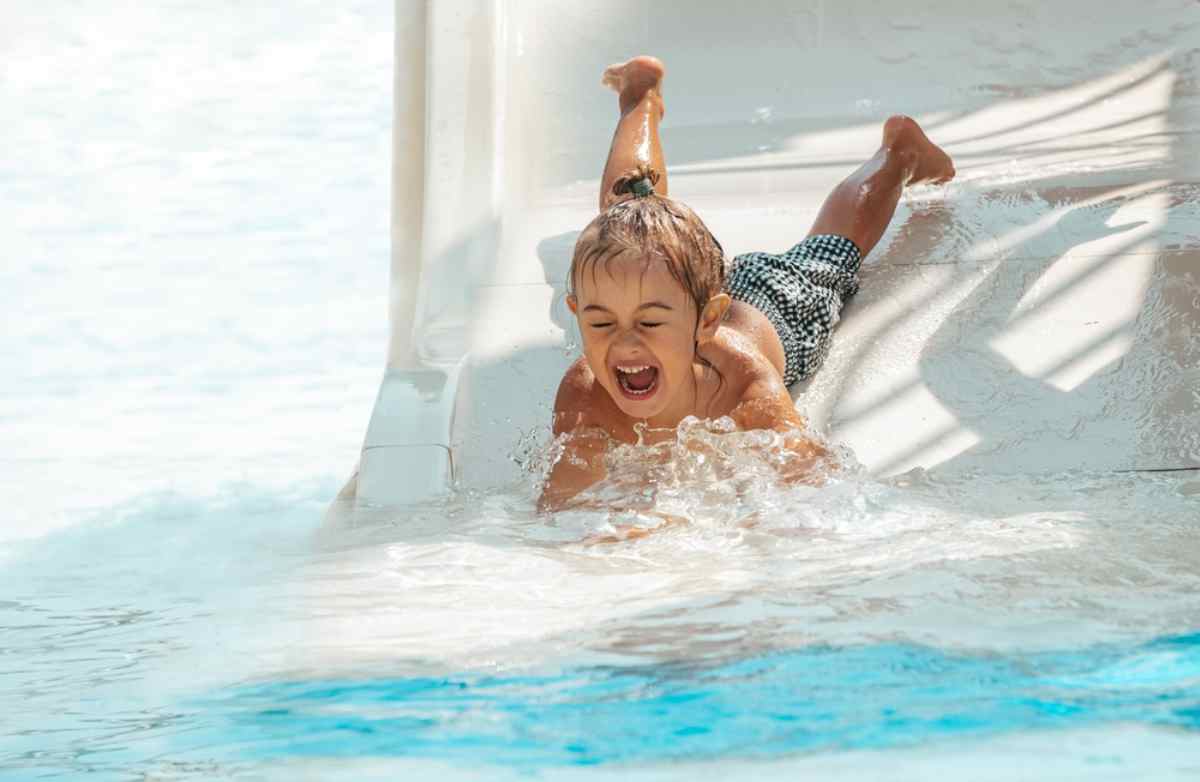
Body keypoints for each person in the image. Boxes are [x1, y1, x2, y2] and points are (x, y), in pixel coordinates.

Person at [539, 55, 955, 512]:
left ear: (707, 320)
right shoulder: (584, 394)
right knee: (626, 220)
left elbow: (817, 488)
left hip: (772, 303)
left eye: (648, 325)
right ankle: (640, 97)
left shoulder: (739, 383)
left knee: (832, 249)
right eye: (601, 324)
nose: (625, 344)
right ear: (579, 313)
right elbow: (562, 506)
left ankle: (899, 155)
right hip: (673, 290)